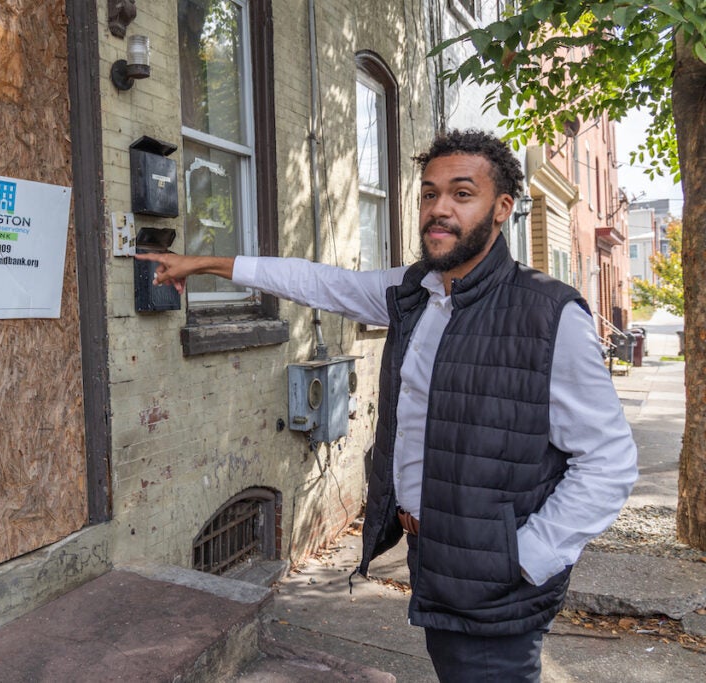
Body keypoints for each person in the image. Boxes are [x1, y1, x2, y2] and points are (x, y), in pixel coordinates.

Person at [136, 129, 638, 681]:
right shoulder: (414, 291)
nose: (439, 210)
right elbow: (318, 283)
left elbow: (609, 463)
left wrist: (525, 556)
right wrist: (204, 264)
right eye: (429, 194)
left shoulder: (548, 315)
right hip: (435, 561)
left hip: (498, 582)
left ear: (502, 209)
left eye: (461, 194)